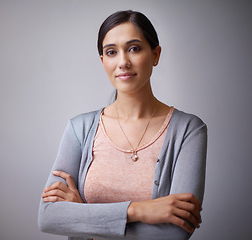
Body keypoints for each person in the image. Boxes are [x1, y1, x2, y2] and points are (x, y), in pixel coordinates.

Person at [38, 10, 207, 240]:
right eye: (111, 52)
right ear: (103, 61)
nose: (123, 62)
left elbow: (175, 232)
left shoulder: (188, 130)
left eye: (134, 48)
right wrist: (137, 209)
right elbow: (48, 218)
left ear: (155, 55)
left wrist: (83, 216)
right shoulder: (80, 129)